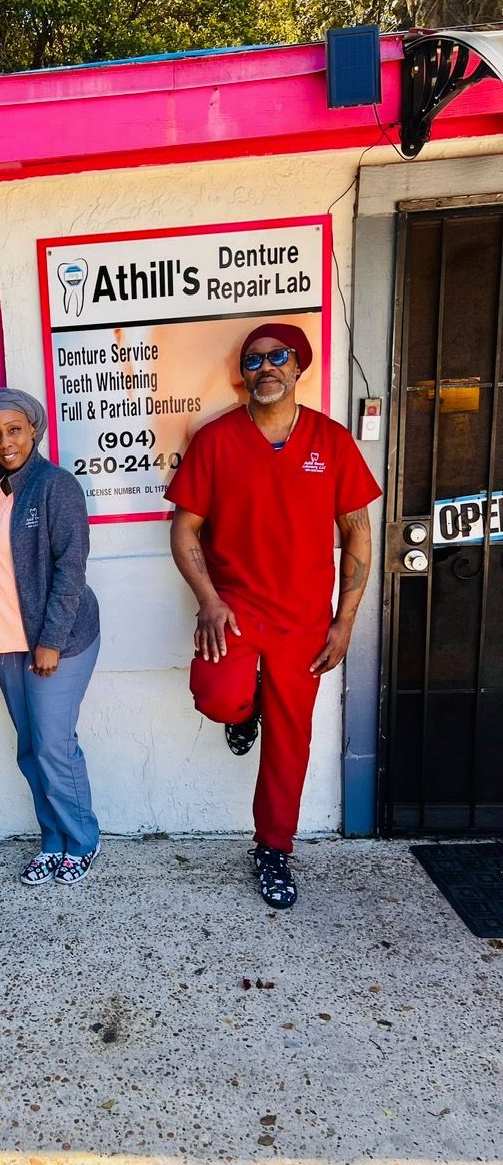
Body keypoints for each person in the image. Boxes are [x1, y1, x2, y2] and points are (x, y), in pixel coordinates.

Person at [167, 324, 381, 910]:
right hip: (233, 612)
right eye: (253, 360)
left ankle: (273, 849)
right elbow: (184, 528)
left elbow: (358, 533)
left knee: (291, 741)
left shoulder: (331, 441)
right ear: (243, 374)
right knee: (217, 696)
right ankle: (245, 712)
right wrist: (209, 600)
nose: (266, 367)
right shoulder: (216, 440)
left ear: (298, 366)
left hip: (304, 620)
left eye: (277, 357)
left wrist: (345, 621)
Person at [0, 388, 102, 886]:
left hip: (56, 641)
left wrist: (51, 640)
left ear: (34, 430)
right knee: (30, 749)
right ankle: (52, 840)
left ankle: (81, 840)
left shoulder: (55, 485)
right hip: (6, 642)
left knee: (53, 746)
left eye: (15, 430)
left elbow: (71, 568)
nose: (6, 442)